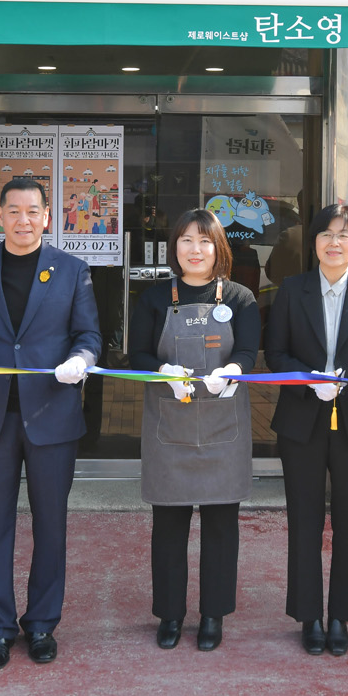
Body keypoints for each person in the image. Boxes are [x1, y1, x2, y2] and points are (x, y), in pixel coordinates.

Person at [0, 176, 101, 671]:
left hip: (52, 413)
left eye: (33, 212)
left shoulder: (72, 270)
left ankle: (42, 623)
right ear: (0, 215)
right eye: (13, 211)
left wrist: (80, 360)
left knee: (51, 524)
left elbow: (89, 334)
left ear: (47, 217)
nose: (23, 221)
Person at [128, 207, 260, 651]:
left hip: (224, 426)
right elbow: (137, 355)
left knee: (221, 525)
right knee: (169, 524)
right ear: (175, 247)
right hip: (170, 425)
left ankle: (213, 614)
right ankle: (170, 614)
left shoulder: (240, 297)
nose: (195, 249)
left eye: (204, 241)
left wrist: (234, 370)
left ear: (218, 247)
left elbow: (248, 350)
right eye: (186, 240)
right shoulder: (153, 298)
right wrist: (162, 370)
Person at [265, 203, 348, 657]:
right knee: (304, 519)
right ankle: (309, 615)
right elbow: (275, 354)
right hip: (302, 418)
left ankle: (342, 614)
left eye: (344, 235)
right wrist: (308, 379)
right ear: (313, 241)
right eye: (326, 234)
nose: (334, 242)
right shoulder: (291, 290)